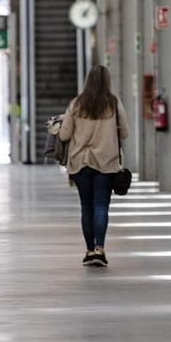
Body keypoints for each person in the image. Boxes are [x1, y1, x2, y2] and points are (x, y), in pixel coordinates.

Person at [58, 65, 129, 267]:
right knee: (101, 206)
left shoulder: (76, 104)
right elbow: (124, 133)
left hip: (80, 163)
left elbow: (64, 135)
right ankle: (100, 249)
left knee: (86, 207)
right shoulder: (114, 103)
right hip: (106, 163)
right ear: (107, 81)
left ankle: (89, 251)